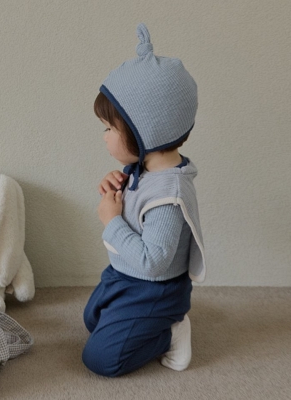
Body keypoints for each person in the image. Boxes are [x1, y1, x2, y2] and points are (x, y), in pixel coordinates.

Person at [82, 23, 207, 377]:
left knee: (101, 359)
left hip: (154, 289)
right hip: (123, 275)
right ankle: (143, 325)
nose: (104, 137)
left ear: (146, 132)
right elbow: (135, 199)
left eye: (109, 128)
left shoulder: (168, 196)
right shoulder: (146, 167)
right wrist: (115, 185)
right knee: (92, 319)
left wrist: (112, 221)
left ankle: (170, 333)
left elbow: (153, 262)